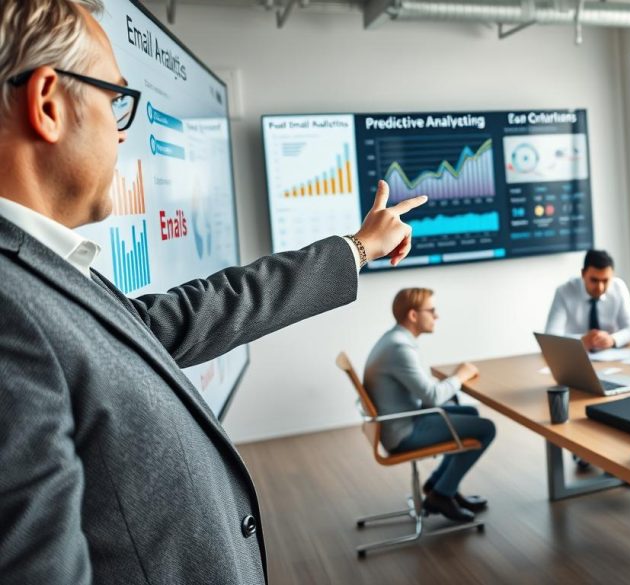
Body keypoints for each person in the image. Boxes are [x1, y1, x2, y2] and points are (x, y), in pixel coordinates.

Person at [0, 2, 425, 583]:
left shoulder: (46, 269)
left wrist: (356, 249)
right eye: (114, 101)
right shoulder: (9, 308)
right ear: (47, 103)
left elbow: (184, 318)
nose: (122, 133)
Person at [364, 288, 495, 523]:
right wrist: (460, 376)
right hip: (404, 432)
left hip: (401, 419)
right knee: (486, 428)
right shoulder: (400, 348)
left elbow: (424, 393)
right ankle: (441, 495)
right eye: (432, 310)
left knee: (471, 413)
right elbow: (432, 398)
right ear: (413, 315)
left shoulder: (394, 339)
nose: (437, 316)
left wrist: (450, 383)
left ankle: (440, 485)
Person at [545, 249, 630, 351]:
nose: (600, 287)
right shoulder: (564, 291)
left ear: (612, 275)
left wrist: (612, 339)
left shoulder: (619, 287)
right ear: (583, 274)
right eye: (594, 280)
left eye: (605, 280)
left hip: (611, 354)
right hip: (576, 353)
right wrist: (581, 340)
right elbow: (551, 337)